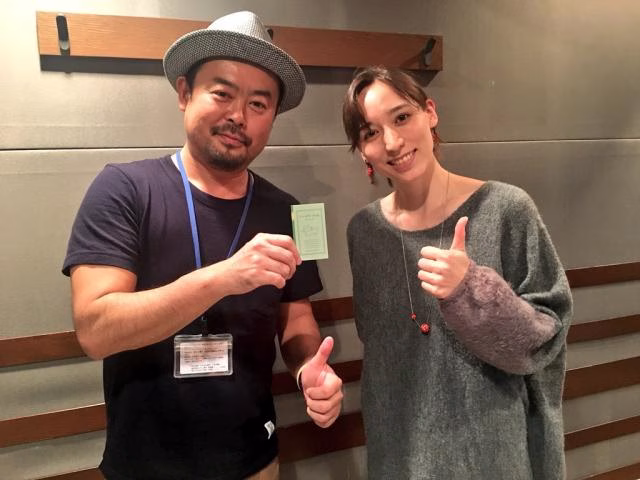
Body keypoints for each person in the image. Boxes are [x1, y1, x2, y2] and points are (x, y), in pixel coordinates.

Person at [62, 11, 343, 480]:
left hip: (255, 462)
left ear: (272, 117)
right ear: (184, 93)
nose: (238, 116)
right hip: (146, 467)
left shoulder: (288, 211)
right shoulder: (124, 189)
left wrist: (307, 369)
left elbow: (296, 319)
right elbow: (96, 330)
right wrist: (223, 278)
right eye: (222, 93)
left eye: (259, 104)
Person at [342, 66, 572, 479]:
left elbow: (547, 337)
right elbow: (381, 352)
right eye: (370, 132)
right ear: (362, 151)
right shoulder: (364, 230)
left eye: (402, 117)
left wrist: (471, 290)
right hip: (400, 453)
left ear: (430, 113)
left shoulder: (506, 208)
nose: (392, 142)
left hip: (491, 453)